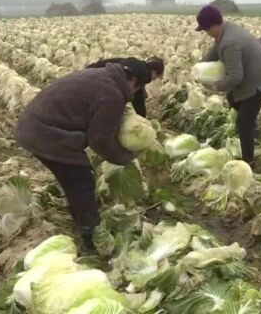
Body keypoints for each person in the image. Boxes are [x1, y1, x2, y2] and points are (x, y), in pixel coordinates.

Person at [15, 58, 152, 251]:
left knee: (73, 176)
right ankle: (92, 238)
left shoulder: (101, 75)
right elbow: (99, 139)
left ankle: (77, 211)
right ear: (133, 81)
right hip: (47, 134)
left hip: (35, 126)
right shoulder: (112, 94)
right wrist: (125, 157)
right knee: (81, 181)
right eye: (138, 88)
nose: (135, 93)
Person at [196, 5, 261, 166]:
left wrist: (216, 87)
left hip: (259, 81)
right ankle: (254, 129)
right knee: (233, 98)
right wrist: (199, 67)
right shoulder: (227, 29)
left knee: (243, 122)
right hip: (259, 73)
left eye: (206, 30)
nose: (207, 33)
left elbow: (235, 77)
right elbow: (215, 50)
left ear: (212, 26)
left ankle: (248, 161)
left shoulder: (229, 42)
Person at [87, 56, 164, 117]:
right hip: (94, 80)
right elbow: (138, 100)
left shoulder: (133, 64)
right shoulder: (143, 74)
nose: (154, 79)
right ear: (154, 72)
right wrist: (142, 119)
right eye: (156, 77)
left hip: (89, 74)